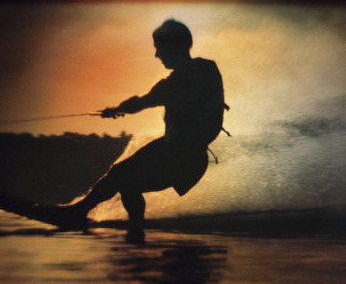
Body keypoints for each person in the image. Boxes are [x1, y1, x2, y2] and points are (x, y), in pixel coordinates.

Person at [57, 19, 227, 240]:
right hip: (173, 151)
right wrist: (122, 108)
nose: (157, 55)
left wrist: (118, 109)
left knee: (125, 179)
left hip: (185, 158)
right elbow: (152, 98)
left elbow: (147, 100)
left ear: (174, 47)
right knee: (121, 175)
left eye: (159, 48)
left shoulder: (191, 75)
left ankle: (116, 225)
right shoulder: (203, 69)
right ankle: (123, 226)